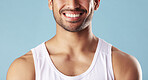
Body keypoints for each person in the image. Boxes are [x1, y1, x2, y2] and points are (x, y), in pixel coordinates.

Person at [7, 0, 142, 80]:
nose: (72, 4)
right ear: (50, 2)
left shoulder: (123, 66)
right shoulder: (24, 69)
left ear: (96, 2)